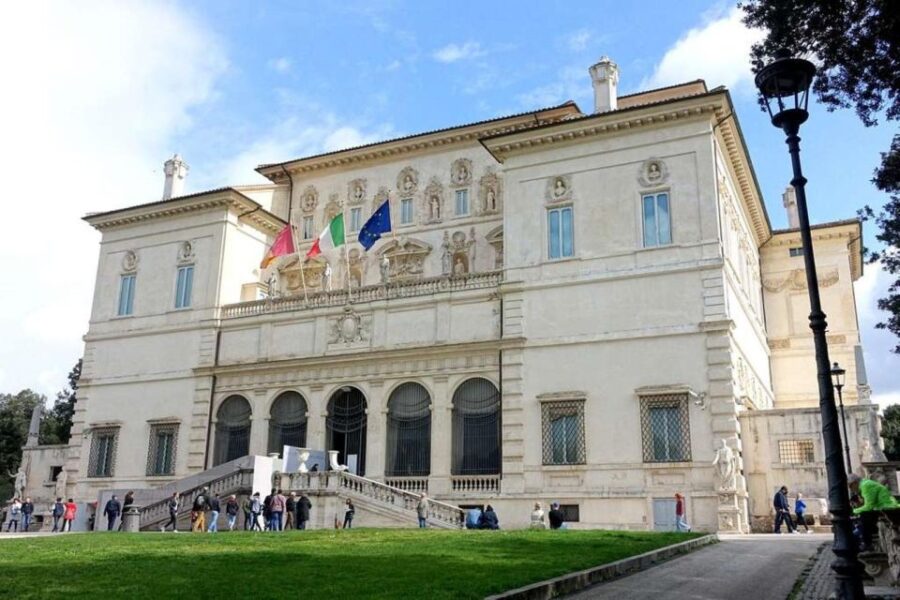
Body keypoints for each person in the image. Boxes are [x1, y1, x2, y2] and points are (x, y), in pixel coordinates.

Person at [849, 473, 900, 551]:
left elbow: (869, 506)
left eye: (850, 486)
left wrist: (853, 511)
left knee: (865, 515)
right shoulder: (865, 484)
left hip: (886, 508)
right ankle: (866, 542)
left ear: (855, 483)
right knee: (864, 517)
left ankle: (867, 544)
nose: (850, 489)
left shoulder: (866, 485)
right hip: (882, 508)